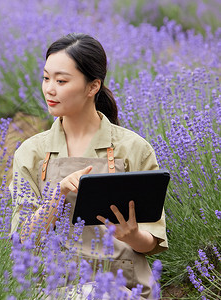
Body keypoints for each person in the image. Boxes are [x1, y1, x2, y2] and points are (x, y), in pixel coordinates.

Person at [9, 33, 168, 299]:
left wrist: (131, 235)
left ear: (93, 86)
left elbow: (152, 241)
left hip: (124, 287)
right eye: (46, 78)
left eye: (61, 81)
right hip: (52, 288)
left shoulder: (133, 148)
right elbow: (21, 241)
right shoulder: (32, 152)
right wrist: (56, 197)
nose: (49, 89)